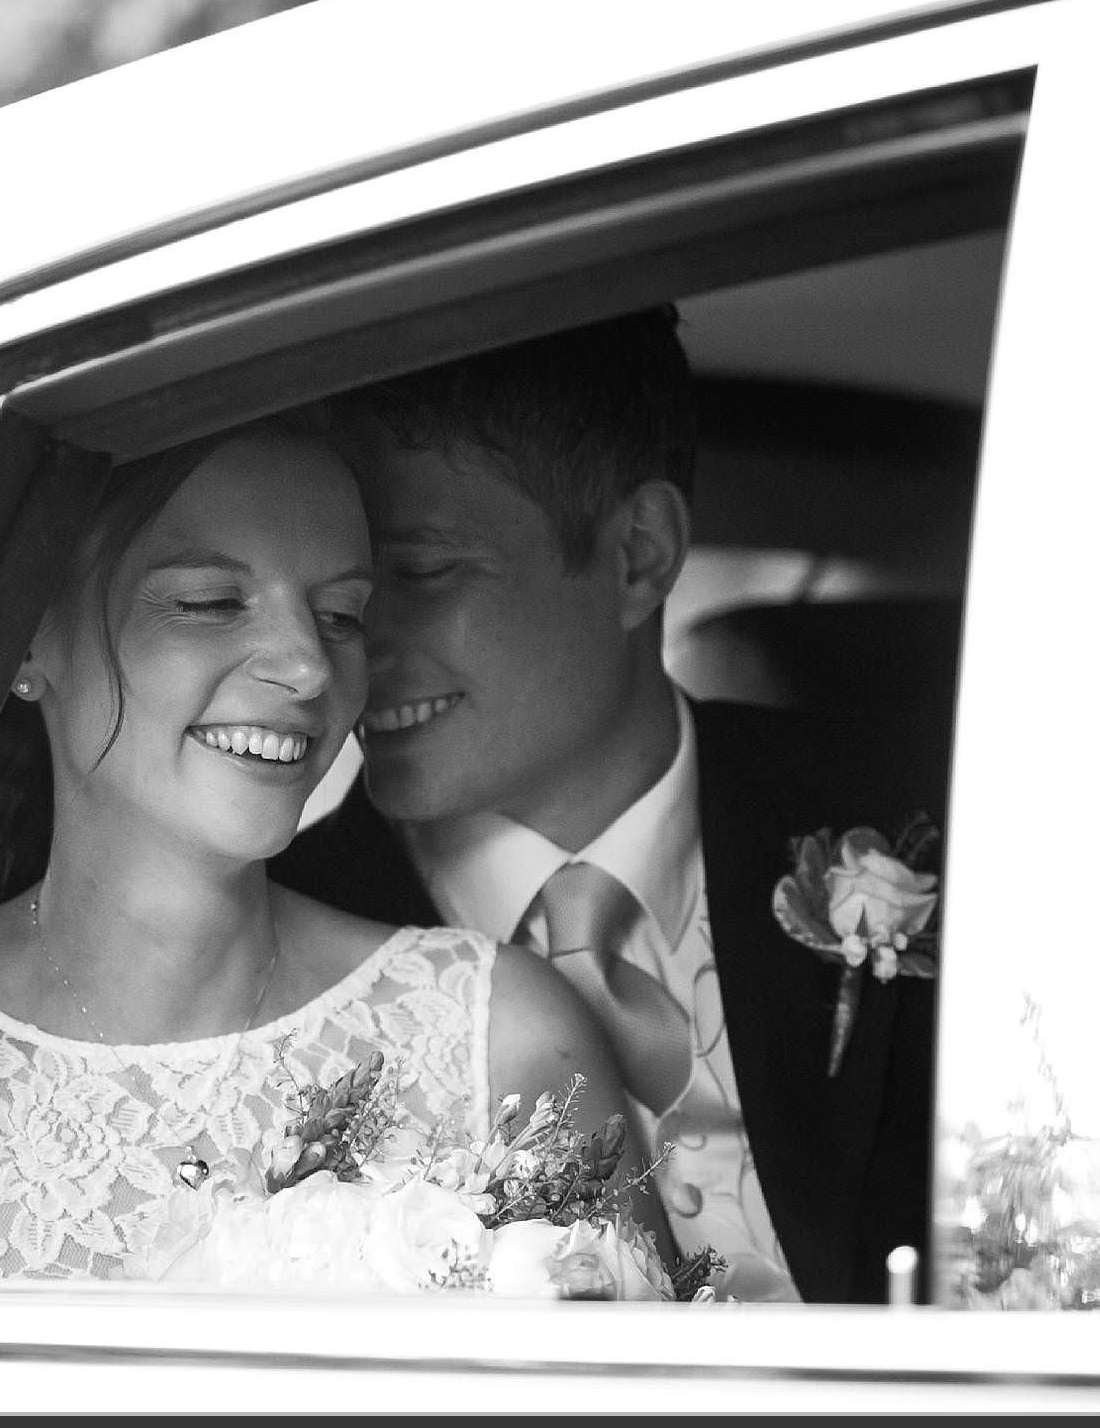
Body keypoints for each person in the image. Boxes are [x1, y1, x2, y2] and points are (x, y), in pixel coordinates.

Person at [0, 412, 656, 1280]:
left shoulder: (497, 1038)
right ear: (27, 633)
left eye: (341, 615)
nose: (309, 668)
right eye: (209, 603)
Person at [271, 308, 949, 1305]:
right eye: (349, 591)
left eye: (420, 571)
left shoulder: (931, 816)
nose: (359, 646)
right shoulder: (280, 945)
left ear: (639, 553)